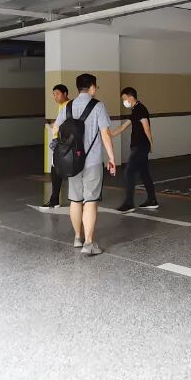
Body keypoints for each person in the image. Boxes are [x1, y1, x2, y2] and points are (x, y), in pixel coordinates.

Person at [52, 74, 117, 256]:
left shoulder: (68, 106)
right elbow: (105, 134)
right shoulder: (98, 106)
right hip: (92, 162)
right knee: (90, 201)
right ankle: (89, 243)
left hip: (72, 162)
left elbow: (56, 129)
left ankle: (77, 237)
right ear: (92, 87)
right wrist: (112, 158)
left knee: (75, 200)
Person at [111, 87, 159, 212]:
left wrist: (150, 143)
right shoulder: (135, 111)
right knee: (144, 173)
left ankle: (129, 203)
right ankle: (152, 200)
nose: (124, 102)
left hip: (140, 146)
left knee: (129, 172)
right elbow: (123, 127)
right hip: (139, 146)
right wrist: (109, 134)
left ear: (131, 97)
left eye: (124, 99)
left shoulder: (140, 109)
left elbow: (146, 127)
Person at [41, 84, 70, 208]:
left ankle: (55, 200)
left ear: (65, 93)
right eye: (54, 94)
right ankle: (55, 199)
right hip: (59, 142)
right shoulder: (61, 106)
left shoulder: (68, 106)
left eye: (57, 94)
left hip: (63, 142)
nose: (55, 97)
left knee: (57, 170)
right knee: (56, 170)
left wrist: (56, 127)